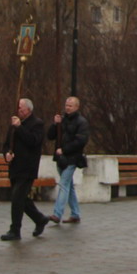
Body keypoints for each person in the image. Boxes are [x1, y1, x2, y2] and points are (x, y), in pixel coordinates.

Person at [1, 98, 49, 241]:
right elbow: (6, 144)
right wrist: (7, 154)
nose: (19, 110)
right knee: (21, 198)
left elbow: (33, 141)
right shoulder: (14, 124)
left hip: (28, 168)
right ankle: (40, 219)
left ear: (28, 109)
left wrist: (20, 127)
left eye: (21, 107)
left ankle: (15, 230)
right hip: (15, 167)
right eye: (18, 107)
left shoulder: (37, 124)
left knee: (17, 198)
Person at [46, 95, 90, 225]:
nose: (67, 108)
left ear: (77, 107)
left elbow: (80, 141)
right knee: (68, 186)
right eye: (66, 105)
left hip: (72, 158)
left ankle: (57, 213)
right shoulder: (62, 120)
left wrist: (64, 150)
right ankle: (75, 213)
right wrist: (55, 124)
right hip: (61, 158)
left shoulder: (81, 122)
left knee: (63, 184)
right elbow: (50, 136)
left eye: (70, 106)